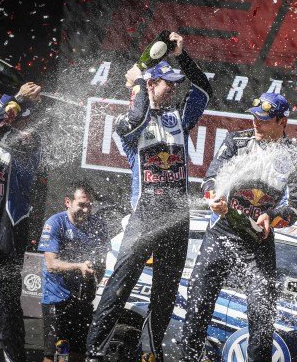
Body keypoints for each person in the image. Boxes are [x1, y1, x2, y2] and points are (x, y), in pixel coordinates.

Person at [85, 32, 211, 362]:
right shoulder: (127, 122)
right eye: (166, 82)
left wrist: (182, 56)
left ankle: (151, 354)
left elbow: (203, 91)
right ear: (151, 85)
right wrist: (139, 80)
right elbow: (139, 117)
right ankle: (94, 351)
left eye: (174, 83)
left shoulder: (179, 119)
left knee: (166, 293)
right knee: (120, 285)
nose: (173, 88)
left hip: (177, 218)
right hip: (145, 215)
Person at [179, 92, 297, 362]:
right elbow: (210, 178)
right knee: (197, 304)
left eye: (264, 120)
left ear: (282, 122)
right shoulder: (237, 141)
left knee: (262, 319)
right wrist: (214, 198)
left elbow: (294, 209)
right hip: (222, 233)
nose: (256, 124)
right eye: (254, 117)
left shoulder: (294, 157)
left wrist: (270, 217)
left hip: (257, 242)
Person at [0, 52, 42, 362]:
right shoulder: (2, 119)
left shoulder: (31, 136)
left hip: (9, 224)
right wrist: (13, 98)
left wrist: (16, 102)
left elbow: (7, 149)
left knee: (9, 299)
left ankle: (14, 357)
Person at [38, 182, 109, 362]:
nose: (86, 210)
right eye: (82, 205)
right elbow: (51, 264)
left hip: (82, 299)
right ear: (68, 202)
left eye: (90, 205)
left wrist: (92, 280)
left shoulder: (99, 225)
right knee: (55, 353)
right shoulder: (55, 223)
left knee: (78, 352)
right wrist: (79, 266)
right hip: (56, 298)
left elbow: (102, 265)